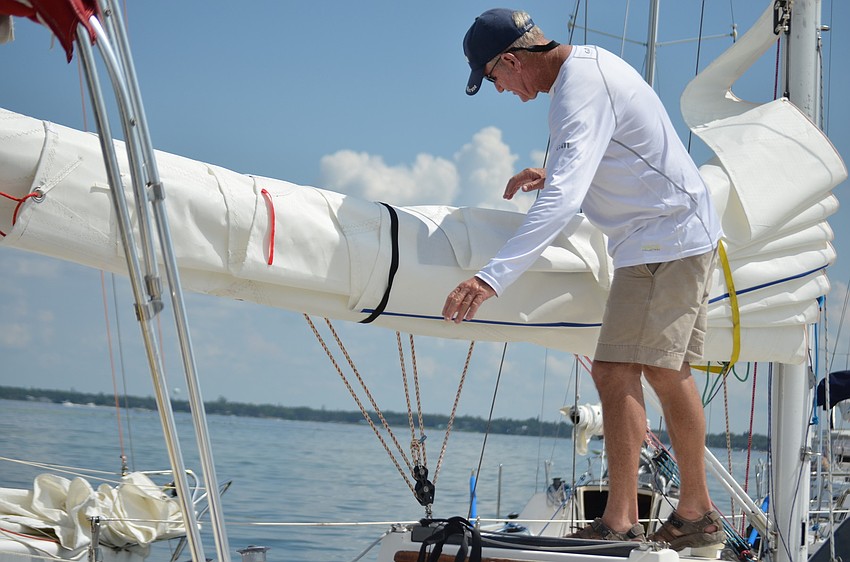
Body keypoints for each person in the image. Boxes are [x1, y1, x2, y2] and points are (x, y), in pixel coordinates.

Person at [443, 8, 726, 551]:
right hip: (678, 231)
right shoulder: (589, 71)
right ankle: (695, 511)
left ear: (509, 60)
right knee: (667, 373)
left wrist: (488, 279)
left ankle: (620, 520)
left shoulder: (577, 89)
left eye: (494, 78)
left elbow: (563, 200)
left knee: (614, 371)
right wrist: (554, 172)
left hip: (659, 238)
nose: (500, 90)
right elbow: (613, 153)